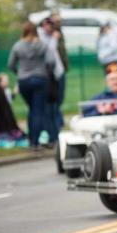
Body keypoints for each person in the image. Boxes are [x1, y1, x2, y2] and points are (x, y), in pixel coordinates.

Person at [8, 22, 55, 148]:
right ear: (36, 31)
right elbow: (51, 61)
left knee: (32, 110)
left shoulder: (17, 45)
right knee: (38, 111)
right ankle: (35, 142)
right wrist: (46, 71)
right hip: (40, 80)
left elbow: (11, 64)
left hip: (24, 82)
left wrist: (19, 73)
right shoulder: (41, 44)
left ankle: (31, 140)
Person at [38, 17, 65, 145]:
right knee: (49, 106)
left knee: (57, 102)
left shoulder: (55, 35)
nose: (49, 27)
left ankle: (56, 130)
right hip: (48, 76)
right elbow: (49, 52)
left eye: (51, 25)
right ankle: (52, 134)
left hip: (58, 74)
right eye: (47, 25)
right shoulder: (41, 37)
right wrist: (54, 39)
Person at [0, 74, 23, 140]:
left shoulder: (5, 91)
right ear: (0, 81)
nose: (7, 81)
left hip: (5, 124)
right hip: (4, 125)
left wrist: (14, 93)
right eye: (5, 80)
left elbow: (8, 102)